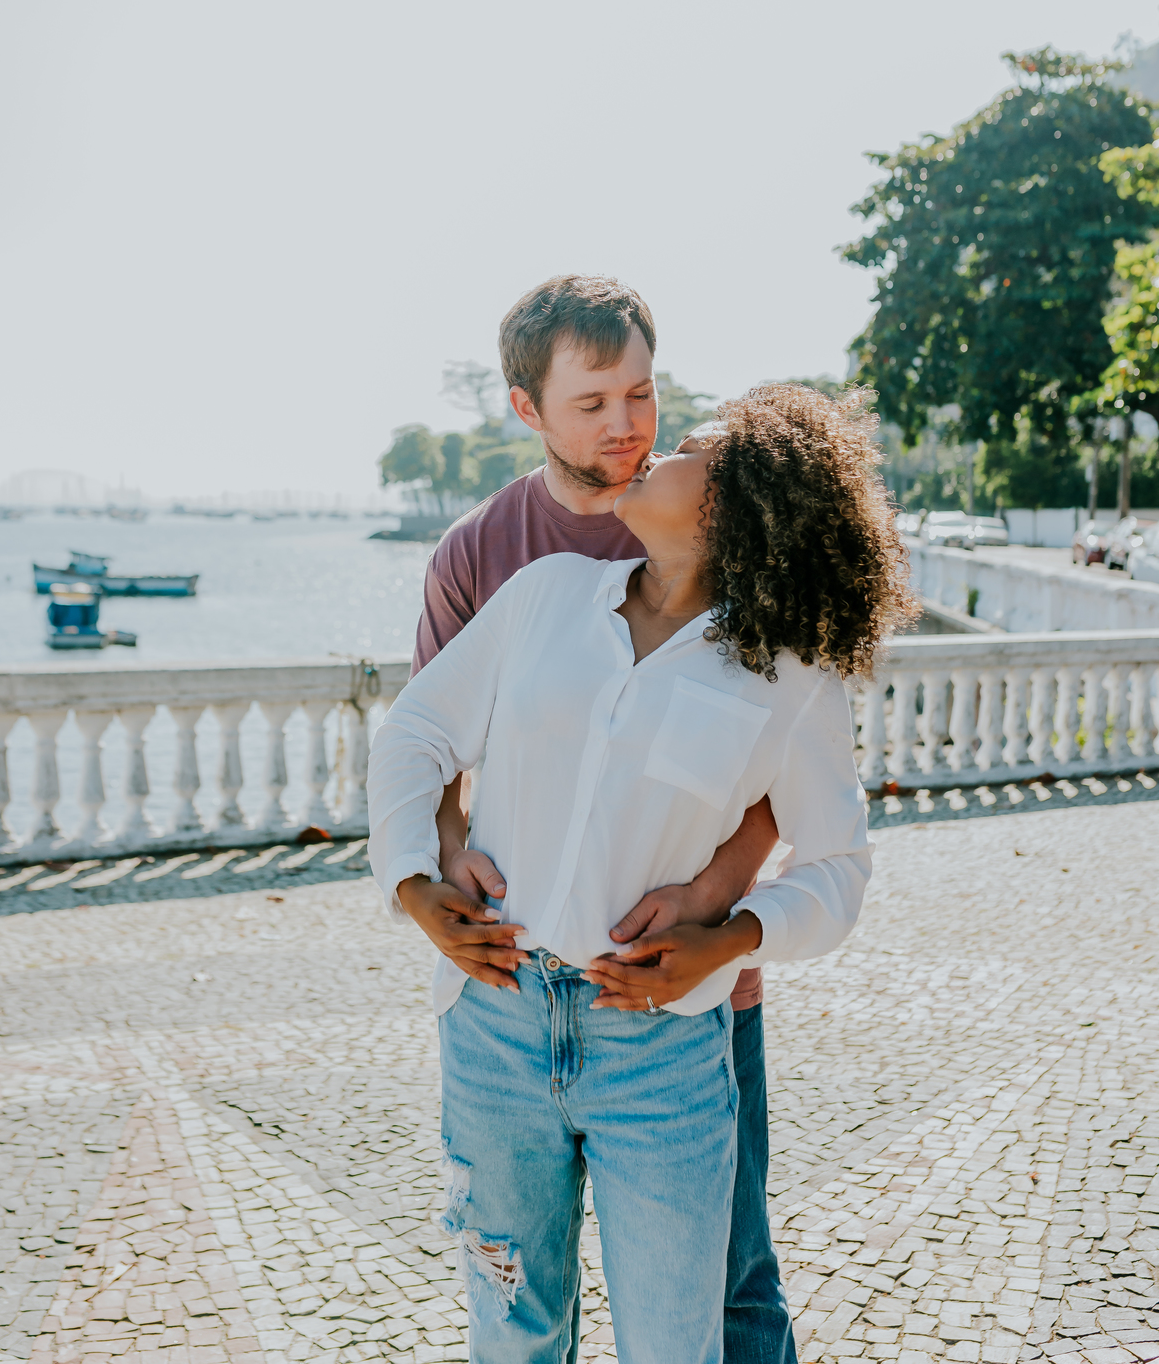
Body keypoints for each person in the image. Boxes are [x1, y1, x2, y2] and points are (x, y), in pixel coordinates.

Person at [368, 375, 916, 1363]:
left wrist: (731, 935)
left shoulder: (789, 672)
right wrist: (417, 886)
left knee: (676, 1345)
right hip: (494, 1030)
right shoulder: (541, 598)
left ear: (734, 503)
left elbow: (838, 868)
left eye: (685, 447)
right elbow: (414, 734)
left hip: (659, 1056)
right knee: (512, 1327)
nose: (648, 451)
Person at [412, 275, 792, 1359]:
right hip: (516, 985)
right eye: (593, 403)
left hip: (686, 992)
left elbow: (779, 785)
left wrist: (717, 918)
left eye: (641, 392)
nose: (627, 426)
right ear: (528, 409)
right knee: (520, 1295)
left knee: (728, 1284)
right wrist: (441, 869)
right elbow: (431, 748)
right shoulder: (480, 558)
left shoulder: (723, 523)